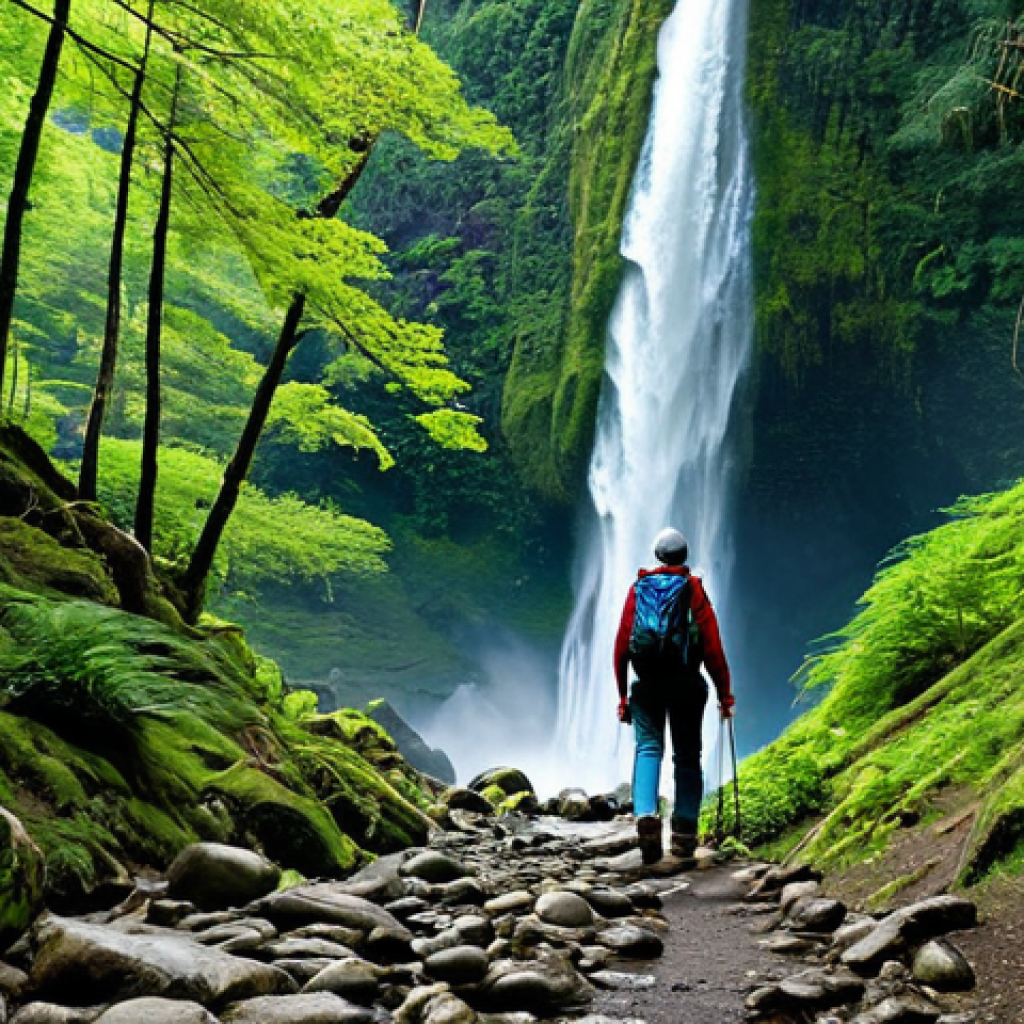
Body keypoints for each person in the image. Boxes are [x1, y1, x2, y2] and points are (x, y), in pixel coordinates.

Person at [613, 527, 735, 864]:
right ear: (684, 557)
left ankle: (645, 815)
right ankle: (684, 833)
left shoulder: (639, 589)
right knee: (687, 755)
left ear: (657, 556)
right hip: (685, 683)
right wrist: (725, 695)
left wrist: (623, 695)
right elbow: (711, 647)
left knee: (648, 747)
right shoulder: (693, 588)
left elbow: (622, 645)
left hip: (646, 682)